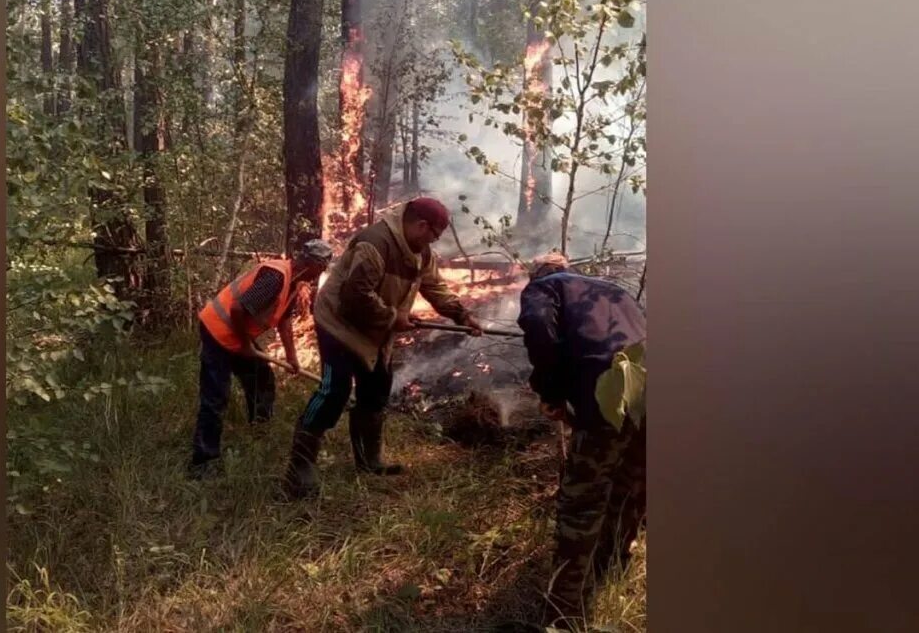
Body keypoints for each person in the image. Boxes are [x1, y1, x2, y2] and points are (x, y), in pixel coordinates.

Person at [282, 197, 484, 499]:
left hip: (376, 330)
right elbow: (355, 297)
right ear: (421, 225)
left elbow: (435, 287)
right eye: (434, 234)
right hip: (339, 323)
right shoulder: (374, 244)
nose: (434, 241)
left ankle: (369, 460)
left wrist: (461, 314)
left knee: (376, 391)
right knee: (333, 392)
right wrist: (393, 317)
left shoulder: (421, 253)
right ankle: (300, 468)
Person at [517, 252, 648, 630]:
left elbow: (538, 324)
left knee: (582, 505)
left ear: (539, 274)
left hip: (608, 399)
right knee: (631, 491)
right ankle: (609, 574)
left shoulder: (544, 287)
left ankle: (563, 612)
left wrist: (552, 392)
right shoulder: (615, 291)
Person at [188, 239, 334, 478]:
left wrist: (291, 357)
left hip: (235, 334)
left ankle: (259, 433)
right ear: (312, 263)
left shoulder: (294, 282)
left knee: (262, 379)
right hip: (218, 330)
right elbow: (237, 310)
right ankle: (203, 462)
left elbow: (284, 322)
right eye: (323, 267)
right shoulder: (275, 278)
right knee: (216, 397)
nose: (322, 274)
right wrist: (245, 345)